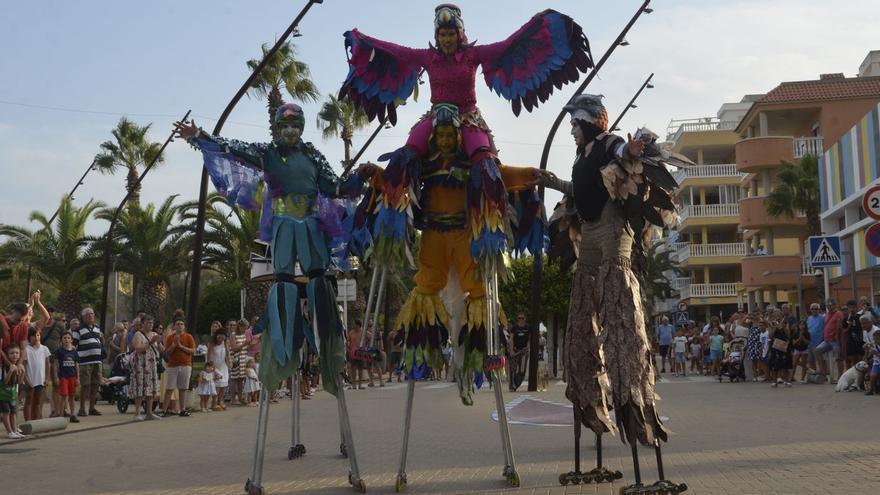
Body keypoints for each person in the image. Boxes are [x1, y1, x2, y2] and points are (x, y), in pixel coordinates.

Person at [73, 307, 104, 417]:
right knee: (85, 385)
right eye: (88, 314)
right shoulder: (78, 330)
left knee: (95, 384)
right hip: (84, 362)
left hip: (97, 361)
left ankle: (92, 408)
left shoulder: (97, 328)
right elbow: (74, 345)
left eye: (92, 314)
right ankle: (82, 409)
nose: (90, 316)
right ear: (83, 317)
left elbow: (100, 341)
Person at [161, 318, 196, 417]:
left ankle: (182, 409)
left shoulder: (189, 337)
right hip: (172, 365)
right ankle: (164, 410)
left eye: (181, 324)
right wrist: (174, 345)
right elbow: (167, 352)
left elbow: (193, 351)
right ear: (174, 327)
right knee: (170, 388)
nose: (179, 325)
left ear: (184, 326)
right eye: (177, 324)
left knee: (183, 388)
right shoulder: (170, 338)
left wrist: (181, 346)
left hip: (186, 365)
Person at [129, 317, 161, 421]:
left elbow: (161, 349)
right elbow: (138, 348)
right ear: (142, 324)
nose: (150, 325)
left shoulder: (154, 334)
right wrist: (150, 342)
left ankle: (149, 413)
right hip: (140, 365)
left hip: (151, 365)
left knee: (150, 388)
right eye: (148, 323)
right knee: (139, 388)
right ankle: (137, 413)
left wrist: (159, 343)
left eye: (151, 323)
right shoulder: (138, 334)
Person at [23, 327, 51, 421]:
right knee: (29, 401)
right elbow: (24, 366)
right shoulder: (26, 350)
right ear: (29, 337)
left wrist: (47, 378)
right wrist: (26, 380)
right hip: (30, 380)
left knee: (38, 401)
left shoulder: (44, 349)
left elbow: (48, 365)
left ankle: (35, 420)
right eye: (33, 336)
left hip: (40, 380)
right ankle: (28, 421)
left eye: (38, 335)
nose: (36, 338)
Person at [53, 332, 80, 422]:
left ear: (71, 340)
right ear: (61, 340)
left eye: (68, 338)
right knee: (64, 396)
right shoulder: (59, 351)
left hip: (72, 376)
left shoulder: (74, 352)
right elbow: (56, 365)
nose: (66, 340)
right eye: (64, 338)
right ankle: (61, 415)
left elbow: (76, 365)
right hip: (63, 377)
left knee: (72, 396)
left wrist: (78, 378)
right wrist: (56, 377)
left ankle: (72, 414)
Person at [815, 300, 844, 381]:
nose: (829, 306)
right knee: (817, 350)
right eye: (827, 305)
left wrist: (837, 335)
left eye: (830, 305)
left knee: (838, 358)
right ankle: (823, 371)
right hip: (827, 340)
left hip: (835, 340)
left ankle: (840, 377)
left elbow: (840, 324)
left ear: (834, 305)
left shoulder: (838, 313)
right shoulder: (827, 314)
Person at [1, 345, 25, 438]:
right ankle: (10, 432)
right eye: (12, 353)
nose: (15, 355)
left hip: (12, 394)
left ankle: (14, 430)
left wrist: (23, 372)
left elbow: (19, 382)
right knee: (6, 412)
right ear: (7, 355)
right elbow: (5, 382)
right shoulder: (3, 367)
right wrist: (10, 371)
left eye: (17, 353)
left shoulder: (18, 366)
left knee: (13, 412)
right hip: (3, 395)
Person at [207, 328, 230, 411]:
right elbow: (209, 356)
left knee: (223, 385)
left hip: (223, 366)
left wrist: (229, 363)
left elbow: (227, 355)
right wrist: (210, 367)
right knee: (216, 386)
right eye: (220, 334)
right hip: (214, 366)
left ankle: (219, 402)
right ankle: (213, 404)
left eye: (223, 335)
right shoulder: (212, 343)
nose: (221, 336)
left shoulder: (225, 343)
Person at [227, 319, 248, 405]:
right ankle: (232, 399)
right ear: (240, 326)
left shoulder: (244, 335)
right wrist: (244, 344)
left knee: (241, 379)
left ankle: (240, 398)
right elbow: (233, 348)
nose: (245, 329)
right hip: (236, 359)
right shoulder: (233, 335)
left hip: (243, 358)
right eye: (244, 327)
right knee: (234, 379)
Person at [767, 318, 793, 387]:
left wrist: (784, 327)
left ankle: (786, 381)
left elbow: (788, 335)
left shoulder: (786, 327)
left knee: (786, 365)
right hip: (775, 347)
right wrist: (775, 327)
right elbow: (770, 336)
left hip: (784, 347)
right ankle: (774, 381)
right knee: (775, 365)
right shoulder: (773, 326)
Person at [509, 313, 530, 391]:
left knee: (522, 370)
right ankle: (512, 386)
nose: (521, 319)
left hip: (524, 351)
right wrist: (511, 350)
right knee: (513, 369)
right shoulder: (514, 328)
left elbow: (529, 339)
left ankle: (516, 383)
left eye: (522, 318)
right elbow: (511, 339)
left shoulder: (528, 327)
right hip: (515, 350)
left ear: (525, 319)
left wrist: (528, 348)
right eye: (519, 318)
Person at [806, 303, 825, 372]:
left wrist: (823, 339)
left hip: (819, 342)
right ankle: (814, 374)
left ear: (819, 310)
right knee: (810, 360)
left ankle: (822, 373)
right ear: (810, 310)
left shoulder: (822, 318)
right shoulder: (809, 318)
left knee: (820, 360)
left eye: (816, 309)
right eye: (812, 309)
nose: (814, 310)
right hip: (810, 342)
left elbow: (825, 329)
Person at [863, 331, 880, 395]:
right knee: (872, 376)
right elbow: (865, 347)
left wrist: (876, 354)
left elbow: (876, 354)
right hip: (877, 363)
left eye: (877, 339)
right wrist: (866, 348)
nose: (876, 340)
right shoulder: (873, 344)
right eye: (874, 339)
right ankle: (871, 390)